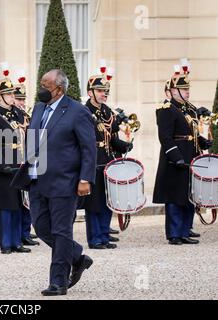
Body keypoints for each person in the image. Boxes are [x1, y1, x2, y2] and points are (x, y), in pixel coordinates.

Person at [12, 69, 97, 295]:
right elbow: (32, 138)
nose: (40, 89)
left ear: (58, 88)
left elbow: (89, 148)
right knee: (41, 228)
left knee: (61, 232)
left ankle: (58, 282)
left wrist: (85, 178)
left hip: (65, 182)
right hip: (37, 179)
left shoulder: (77, 112)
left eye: (45, 85)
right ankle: (77, 256)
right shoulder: (39, 108)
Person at [153, 60, 212, 245]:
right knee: (175, 198)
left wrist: (203, 142)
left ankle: (185, 231)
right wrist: (176, 157)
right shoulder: (167, 109)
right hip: (176, 158)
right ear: (173, 91)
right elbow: (165, 138)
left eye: (188, 89)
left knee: (189, 196)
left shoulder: (189, 109)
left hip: (191, 156)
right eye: (183, 89)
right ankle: (174, 234)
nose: (187, 91)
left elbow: (192, 133)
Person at [81, 64, 133, 250]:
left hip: (109, 160)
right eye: (100, 91)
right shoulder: (84, 112)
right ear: (90, 92)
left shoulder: (107, 111)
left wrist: (124, 145)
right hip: (93, 159)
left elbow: (112, 137)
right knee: (94, 202)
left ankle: (104, 234)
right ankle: (95, 238)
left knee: (107, 199)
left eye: (106, 92)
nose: (104, 94)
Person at [0, 64, 31, 254]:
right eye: (9, 94)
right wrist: (1, 165)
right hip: (2, 166)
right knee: (5, 206)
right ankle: (6, 243)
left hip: (18, 163)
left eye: (13, 94)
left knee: (18, 204)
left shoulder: (18, 113)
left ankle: (17, 242)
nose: (13, 97)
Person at [13, 75, 39, 247]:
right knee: (19, 199)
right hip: (17, 158)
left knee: (27, 198)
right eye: (18, 99)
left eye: (23, 99)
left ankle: (26, 231)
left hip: (28, 158)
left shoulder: (25, 115)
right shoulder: (12, 115)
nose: (22, 103)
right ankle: (21, 234)